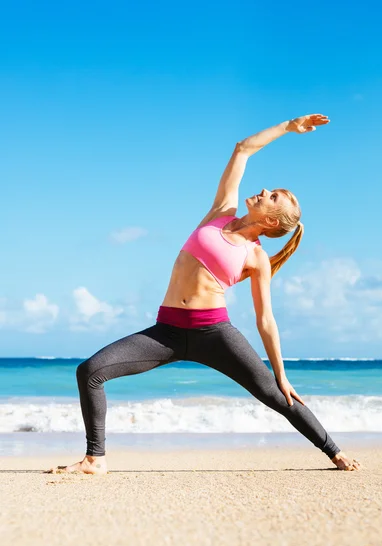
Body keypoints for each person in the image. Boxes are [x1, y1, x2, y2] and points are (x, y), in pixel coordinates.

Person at [47, 114, 361, 475]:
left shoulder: (256, 257)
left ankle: (335, 453)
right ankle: (94, 460)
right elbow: (242, 150)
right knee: (90, 371)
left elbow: (265, 320)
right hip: (164, 332)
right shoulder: (220, 213)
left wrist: (282, 372)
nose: (263, 192)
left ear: (272, 221)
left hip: (214, 335)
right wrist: (288, 127)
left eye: (272, 197)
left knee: (277, 395)